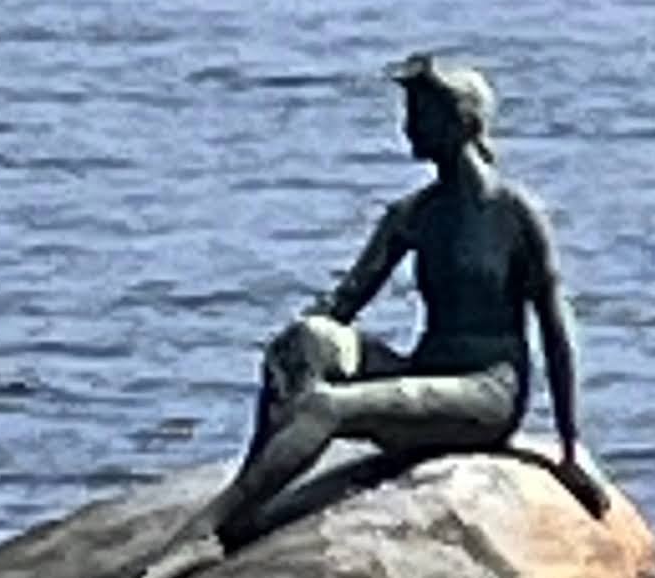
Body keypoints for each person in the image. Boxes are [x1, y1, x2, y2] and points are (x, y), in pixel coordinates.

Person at [212, 51, 606, 541]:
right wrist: (306, 340)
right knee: (304, 342)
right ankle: (253, 494)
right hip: (425, 371)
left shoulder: (513, 215)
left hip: (483, 394)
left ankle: (212, 524)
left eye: (420, 115)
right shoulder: (414, 214)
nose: (406, 128)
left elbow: (555, 330)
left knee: (329, 407)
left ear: (460, 123)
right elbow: (345, 305)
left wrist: (570, 450)